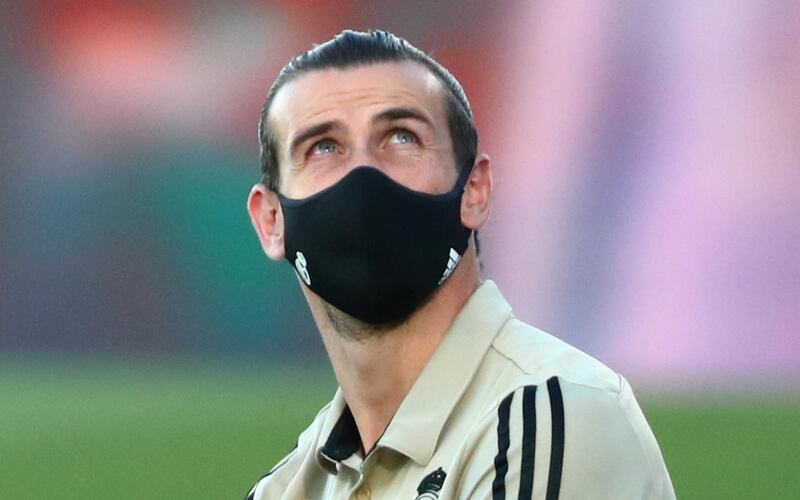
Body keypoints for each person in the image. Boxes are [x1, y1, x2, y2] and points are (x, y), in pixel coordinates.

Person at [245, 29, 675, 500]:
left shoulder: (552, 419)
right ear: (272, 221)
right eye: (323, 147)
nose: (363, 174)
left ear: (475, 192)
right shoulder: (292, 485)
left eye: (401, 136)